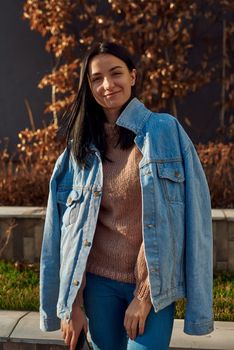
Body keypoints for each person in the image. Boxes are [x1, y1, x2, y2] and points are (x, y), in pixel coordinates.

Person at [40, 42, 214, 350]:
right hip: (98, 284)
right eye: (96, 78)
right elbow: (64, 232)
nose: (107, 85)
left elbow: (192, 218)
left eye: (116, 73)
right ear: (88, 86)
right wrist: (72, 304)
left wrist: (143, 295)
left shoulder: (165, 131)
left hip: (152, 285)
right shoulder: (79, 147)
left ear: (132, 76)